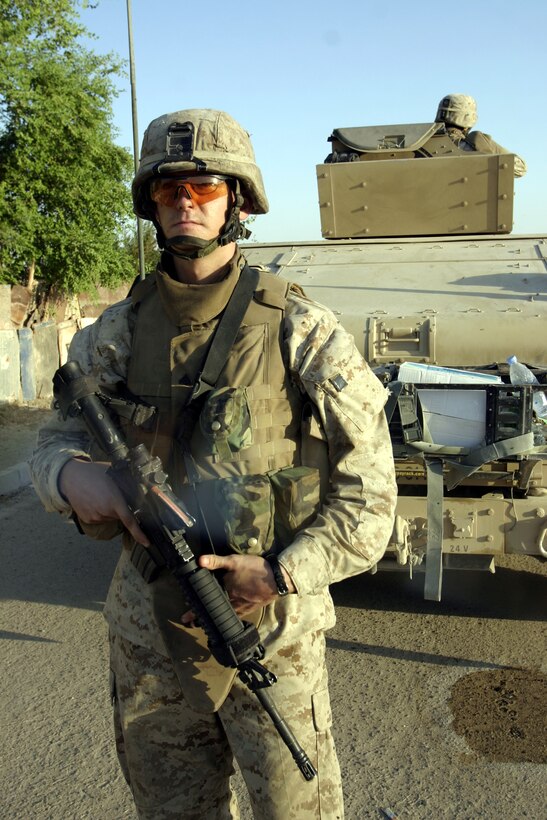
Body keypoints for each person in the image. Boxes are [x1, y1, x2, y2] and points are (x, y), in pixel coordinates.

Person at [30, 108, 397, 820]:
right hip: (147, 631)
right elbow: (49, 447)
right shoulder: (115, 332)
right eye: (169, 192)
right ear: (151, 206)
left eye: (203, 187)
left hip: (273, 632)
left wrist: (283, 572)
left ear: (238, 201)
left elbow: (371, 492)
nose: (186, 203)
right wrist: (84, 482)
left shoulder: (298, 327)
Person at [435, 93, 527, 177]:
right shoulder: (475, 142)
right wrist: (487, 147)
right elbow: (520, 168)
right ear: (469, 118)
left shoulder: (423, 142)